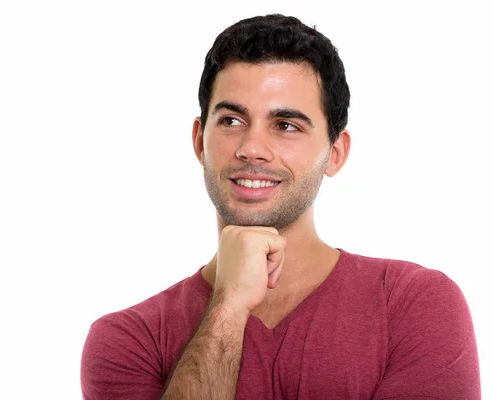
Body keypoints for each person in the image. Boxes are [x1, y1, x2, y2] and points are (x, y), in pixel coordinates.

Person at [80, 14, 480, 399]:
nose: (251, 148)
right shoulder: (128, 340)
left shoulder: (414, 305)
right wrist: (230, 304)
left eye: (286, 125)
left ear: (336, 154)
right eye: (232, 120)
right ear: (200, 140)